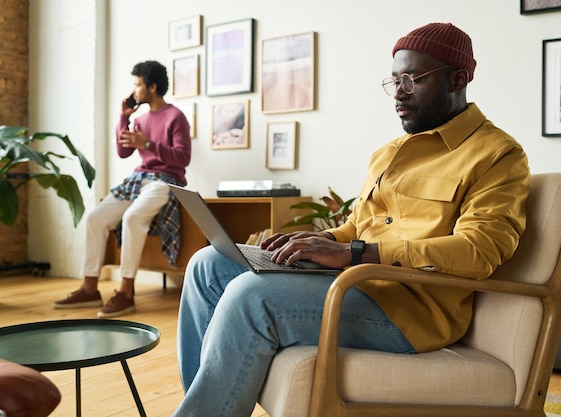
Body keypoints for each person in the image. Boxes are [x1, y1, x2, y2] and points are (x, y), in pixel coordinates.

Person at [173, 22, 530, 417]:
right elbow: (357, 227)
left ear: (459, 79)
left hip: (410, 310)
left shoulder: (498, 155)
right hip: (351, 282)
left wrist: (353, 252)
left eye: (413, 80)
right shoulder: (388, 152)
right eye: (394, 80)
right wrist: (312, 240)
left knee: (249, 298)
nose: (399, 93)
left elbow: (479, 251)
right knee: (207, 265)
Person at [54, 60, 192, 318]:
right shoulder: (139, 119)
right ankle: (90, 287)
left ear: (152, 86)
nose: (134, 90)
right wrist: (123, 118)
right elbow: (123, 151)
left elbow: (183, 158)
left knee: (131, 218)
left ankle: (126, 292)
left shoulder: (176, 117)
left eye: (137, 84)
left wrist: (148, 144)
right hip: (139, 179)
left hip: (165, 181)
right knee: (96, 219)